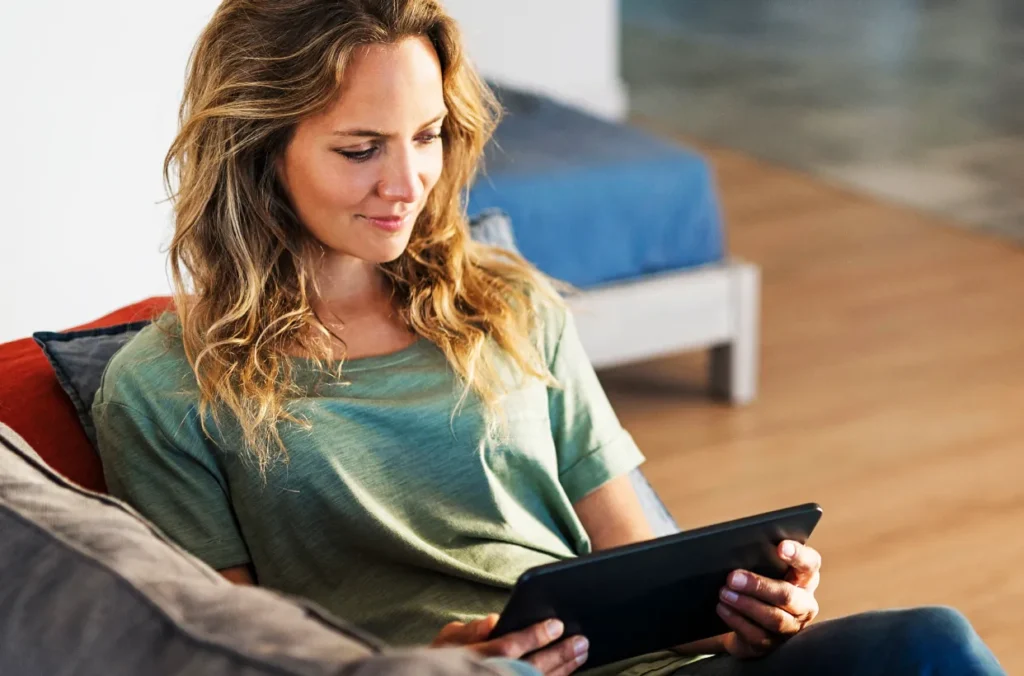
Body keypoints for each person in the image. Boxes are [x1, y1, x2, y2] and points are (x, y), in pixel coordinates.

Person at [91, 1, 1004, 674]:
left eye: (429, 135)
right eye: (360, 147)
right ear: (257, 150)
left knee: (933, 642)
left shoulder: (509, 304)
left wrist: (742, 609)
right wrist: (423, 661)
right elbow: (231, 652)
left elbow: (639, 569)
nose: (407, 182)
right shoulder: (169, 389)